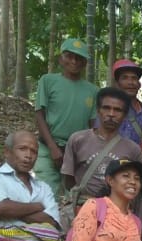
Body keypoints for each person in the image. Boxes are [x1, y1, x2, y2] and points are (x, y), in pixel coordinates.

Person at [32, 38, 99, 195]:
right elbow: (39, 115)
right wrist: (53, 147)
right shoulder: (48, 81)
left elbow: (92, 125)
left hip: (76, 151)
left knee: (73, 196)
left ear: (85, 63)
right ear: (61, 59)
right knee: (47, 194)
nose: (74, 61)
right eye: (69, 56)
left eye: (79, 58)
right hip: (48, 147)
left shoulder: (93, 90)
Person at [61, 87, 142, 205]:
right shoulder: (78, 139)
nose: (111, 114)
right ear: (98, 110)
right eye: (106, 108)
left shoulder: (133, 149)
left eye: (117, 110)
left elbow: (135, 185)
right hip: (82, 207)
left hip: (117, 211)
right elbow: (68, 179)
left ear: (125, 115)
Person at [108, 59, 142, 145]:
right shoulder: (108, 111)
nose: (130, 82)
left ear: (139, 84)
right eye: (125, 78)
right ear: (117, 83)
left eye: (134, 78)